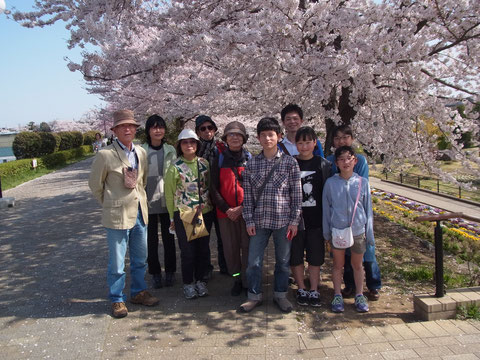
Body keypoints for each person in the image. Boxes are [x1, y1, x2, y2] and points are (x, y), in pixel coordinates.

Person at [89, 109, 159, 319]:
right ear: (115, 130)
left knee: (140, 258)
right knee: (117, 262)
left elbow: (142, 180)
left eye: (131, 126)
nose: (128, 129)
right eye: (122, 126)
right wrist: (110, 202)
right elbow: (95, 185)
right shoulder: (105, 155)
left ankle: (138, 292)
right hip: (117, 216)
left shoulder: (140, 152)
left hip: (139, 213)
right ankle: (117, 298)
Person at [239, 117, 302, 313]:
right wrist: (248, 219)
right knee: (253, 262)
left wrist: (294, 221)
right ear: (258, 138)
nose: (267, 138)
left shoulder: (290, 163)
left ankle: (280, 295)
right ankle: (254, 296)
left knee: (283, 262)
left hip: (283, 221)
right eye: (263, 135)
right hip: (258, 221)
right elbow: (247, 196)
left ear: (279, 137)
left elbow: (296, 195)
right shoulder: (251, 164)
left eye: (271, 135)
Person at [326, 125, 382, 301]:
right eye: (337, 138)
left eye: (345, 137)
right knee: (345, 257)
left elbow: (362, 189)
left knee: (367, 255)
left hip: (357, 220)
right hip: (340, 220)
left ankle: (373, 286)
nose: (341, 140)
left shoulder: (360, 161)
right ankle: (349, 286)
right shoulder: (329, 161)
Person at [322, 146, 374, 313]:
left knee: (358, 265)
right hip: (337, 230)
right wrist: (326, 233)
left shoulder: (362, 183)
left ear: (355, 161)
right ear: (336, 163)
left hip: (358, 230)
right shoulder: (330, 183)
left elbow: (368, 210)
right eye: (341, 159)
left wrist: (370, 233)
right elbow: (326, 209)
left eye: (348, 158)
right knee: (338, 265)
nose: (345, 162)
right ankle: (337, 294)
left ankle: (359, 294)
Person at [165, 128, 214, 299]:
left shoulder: (204, 163)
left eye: (192, 142)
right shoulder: (175, 167)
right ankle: (188, 283)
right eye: (185, 142)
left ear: (197, 144)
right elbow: (169, 193)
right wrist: (172, 217)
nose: (189, 145)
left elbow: (208, 186)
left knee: (202, 250)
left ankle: (200, 280)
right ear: (180, 146)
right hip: (185, 213)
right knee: (188, 251)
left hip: (204, 211)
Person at [291, 126, 331, 307]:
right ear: (295, 144)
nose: (304, 146)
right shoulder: (290, 163)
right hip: (294, 221)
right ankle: (301, 288)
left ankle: (314, 289)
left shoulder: (323, 165)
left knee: (315, 257)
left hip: (316, 220)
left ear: (315, 143)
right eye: (300, 142)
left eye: (308, 142)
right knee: (296, 256)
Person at [210, 121, 251, 296]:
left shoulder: (250, 159)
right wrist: (227, 209)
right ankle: (237, 279)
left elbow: (255, 188)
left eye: (238, 134)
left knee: (248, 247)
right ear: (225, 138)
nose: (234, 137)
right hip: (224, 213)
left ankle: (248, 280)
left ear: (244, 138)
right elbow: (213, 187)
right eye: (231, 134)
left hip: (247, 212)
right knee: (231, 249)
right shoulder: (218, 158)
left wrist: (241, 208)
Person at [142, 115, 177, 288]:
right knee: (150, 241)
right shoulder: (141, 150)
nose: (158, 130)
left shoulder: (170, 149)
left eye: (161, 127)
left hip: (167, 202)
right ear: (148, 131)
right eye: (154, 127)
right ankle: (155, 272)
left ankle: (170, 271)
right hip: (147, 203)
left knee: (169, 239)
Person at [195, 115, 228, 277]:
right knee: (203, 236)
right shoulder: (194, 149)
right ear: (198, 132)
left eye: (210, 128)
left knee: (224, 236)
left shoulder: (222, 148)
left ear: (215, 129)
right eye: (203, 128)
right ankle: (205, 268)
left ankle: (226, 266)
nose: (207, 131)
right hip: (203, 200)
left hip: (221, 198)